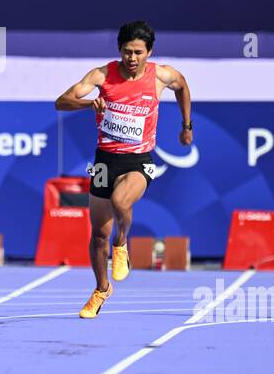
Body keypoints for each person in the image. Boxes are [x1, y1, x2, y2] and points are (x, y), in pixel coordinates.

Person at [54, 22, 193, 319]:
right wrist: (90, 103)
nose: (132, 58)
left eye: (138, 53)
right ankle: (101, 289)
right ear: (119, 50)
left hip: (138, 160)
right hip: (105, 160)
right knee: (98, 236)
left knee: (121, 202)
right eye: (127, 52)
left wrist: (186, 125)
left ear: (149, 52)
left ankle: (122, 243)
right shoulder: (102, 75)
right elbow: (61, 101)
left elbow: (182, 87)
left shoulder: (161, 75)